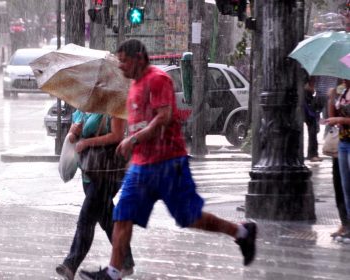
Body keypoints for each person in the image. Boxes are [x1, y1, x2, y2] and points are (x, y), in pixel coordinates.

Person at [79, 39, 257, 280]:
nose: (120, 66)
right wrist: (131, 151)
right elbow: (138, 125)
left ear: (138, 59)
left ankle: (241, 232)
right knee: (122, 214)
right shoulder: (133, 88)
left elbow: (163, 117)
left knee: (189, 218)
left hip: (168, 162)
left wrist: (134, 139)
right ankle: (113, 271)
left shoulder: (158, 80)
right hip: (141, 166)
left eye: (124, 61)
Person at [56, 109, 135, 280]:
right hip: (89, 172)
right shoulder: (80, 111)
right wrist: (72, 134)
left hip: (108, 172)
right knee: (107, 219)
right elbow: (72, 139)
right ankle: (126, 261)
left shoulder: (112, 107)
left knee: (86, 217)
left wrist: (88, 142)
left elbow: (117, 135)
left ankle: (71, 264)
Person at [324, 79, 350, 240]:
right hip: (342, 143)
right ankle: (346, 223)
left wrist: (340, 120)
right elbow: (331, 117)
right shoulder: (341, 90)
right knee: (344, 186)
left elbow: (338, 120)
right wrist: (331, 98)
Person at [303, 76, 322, 162]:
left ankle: (313, 153)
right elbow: (309, 87)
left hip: (307, 104)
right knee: (313, 130)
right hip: (307, 106)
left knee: (313, 130)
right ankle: (312, 154)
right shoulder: (309, 77)